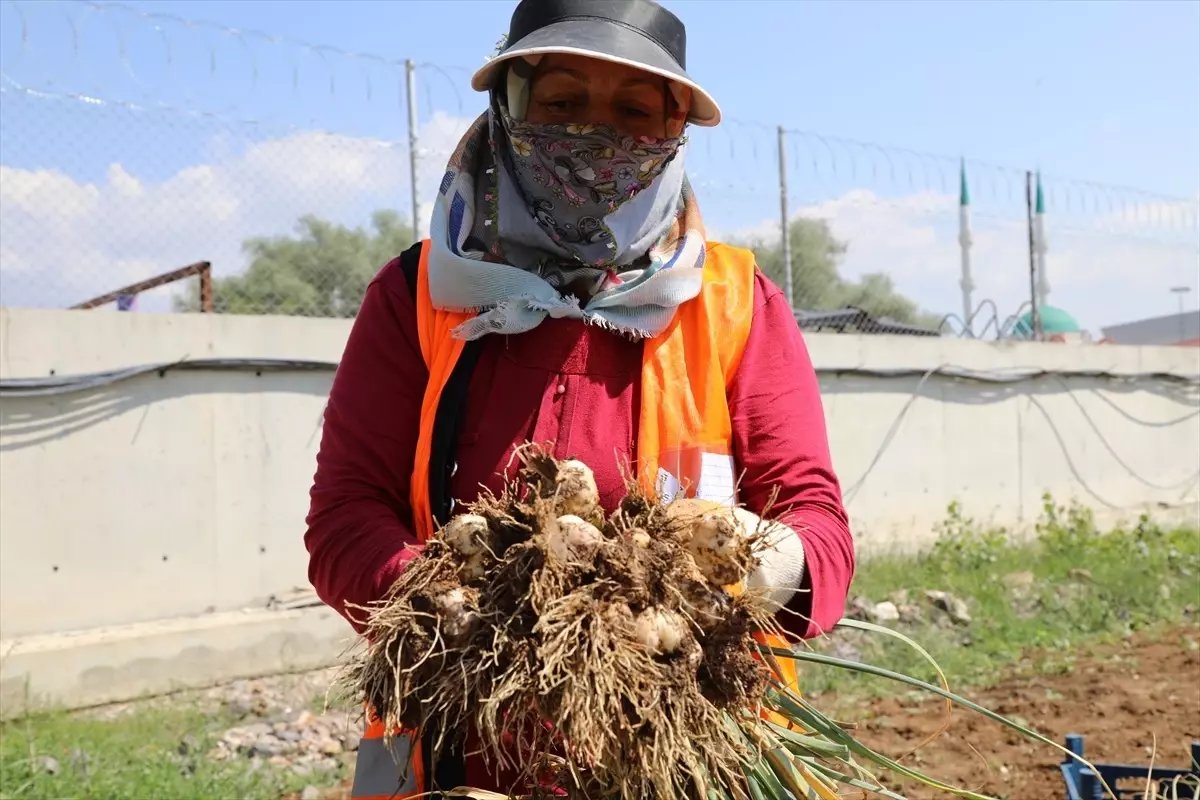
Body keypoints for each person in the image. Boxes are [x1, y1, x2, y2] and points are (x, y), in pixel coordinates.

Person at [304, 0, 855, 796]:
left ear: (673, 133)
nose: (597, 140)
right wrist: (458, 608)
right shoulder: (416, 295)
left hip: (690, 758)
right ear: (508, 110)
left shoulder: (738, 302)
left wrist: (772, 566)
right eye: (562, 103)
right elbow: (343, 519)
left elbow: (820, 525)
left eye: (634, 111)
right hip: (460, 755)